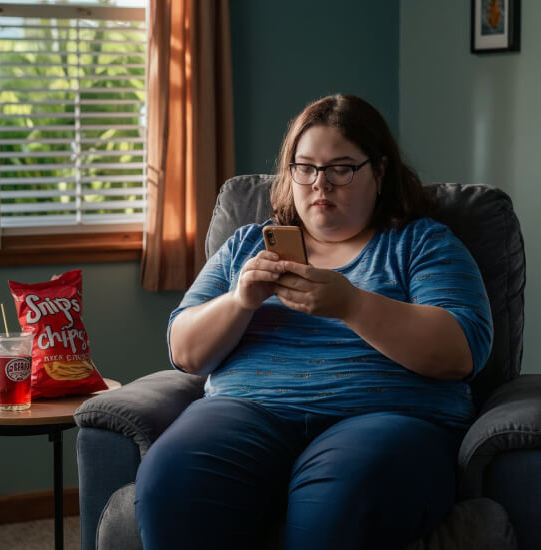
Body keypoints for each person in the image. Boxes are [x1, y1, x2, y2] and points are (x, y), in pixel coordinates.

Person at [135, 94, 493, 550]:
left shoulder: (421, 244)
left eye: (340, 168)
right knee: (173, 476)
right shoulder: (247, 245)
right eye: (304, 168)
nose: (319, 184)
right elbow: (185, 352)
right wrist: (239, 301)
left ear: (379, 172)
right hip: (245, 414)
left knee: (344, 495)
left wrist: (353, 305)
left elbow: (462, 352)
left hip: (385, 420)